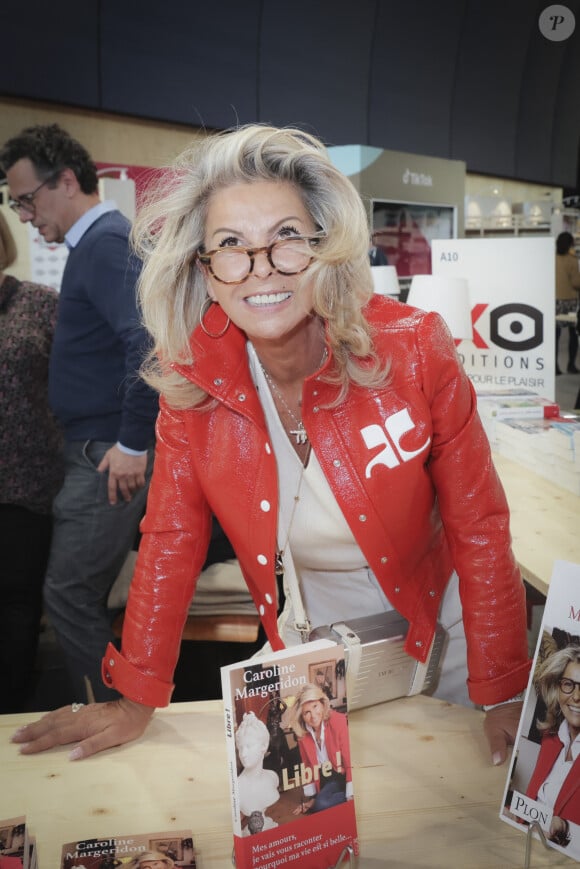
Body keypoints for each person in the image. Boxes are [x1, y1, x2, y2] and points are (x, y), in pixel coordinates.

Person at [10, 124, 529, 767]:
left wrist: (504, 686)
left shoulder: (415, 349)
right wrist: (136, 694)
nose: (260, 268)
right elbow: (171, 536)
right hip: (315, 645)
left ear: (323, 245)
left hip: (443, 632)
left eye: (285, 236)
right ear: (204, 269)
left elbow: (478, 524)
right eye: (231, 245)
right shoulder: (191, 386)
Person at [0, 124, 158, 704]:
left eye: (26, 199)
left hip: (106, 451)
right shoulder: (94, 246)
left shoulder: (106, 243)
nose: (22, 215)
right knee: (72, 593)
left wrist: (134, 444)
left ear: (65, 180)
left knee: (68, 593)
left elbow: (149, 344)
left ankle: (108, 717)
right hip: (95, 447)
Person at [0, 211, 63, 713]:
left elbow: (77, 384)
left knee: (17, 608)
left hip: (26, 484)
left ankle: (11, 711)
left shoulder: (39, 305)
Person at [526, 645, 580, 852]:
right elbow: (535, 802)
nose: (576, 696)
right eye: (568, 684)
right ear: (557, 688)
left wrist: (565, 828)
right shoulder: (550, 740)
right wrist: (516, 815)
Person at [289, 683, 352, 814]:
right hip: (327, 778)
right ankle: (320, 800)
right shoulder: (302, 735)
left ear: (322, 704)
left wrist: (350, 793)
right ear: (302, 716)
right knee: (319, 804)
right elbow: (307, 765)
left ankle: (353, 792)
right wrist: (312, 797)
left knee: (321, 805)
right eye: (307, 712)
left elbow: (349, 759)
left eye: (315, 706)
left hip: (346, 773)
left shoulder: (337, 721)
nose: (313, 715)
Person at [235, 711, 280, 831]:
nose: (243, 754)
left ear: (264, 746)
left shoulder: (272, 777)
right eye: (240, 748)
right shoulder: (238, 787)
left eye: (249, 746)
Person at [555, 231, 580, 375]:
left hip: (556, 301)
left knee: (555, 336)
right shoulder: (572, 260)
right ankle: (571, 365)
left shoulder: (552, 258)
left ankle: (556, 367)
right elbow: (576, 283)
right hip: (570, 302)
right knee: (573, 335)